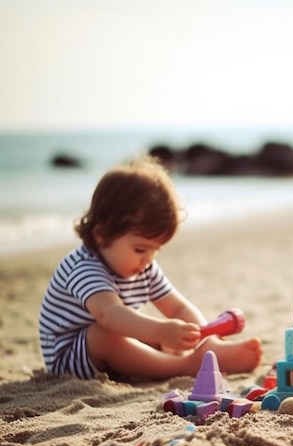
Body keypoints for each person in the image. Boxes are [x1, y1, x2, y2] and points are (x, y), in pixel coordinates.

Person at [39, 156, 262, 381]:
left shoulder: (143, 266)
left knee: (170, 333)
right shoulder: (83, 267)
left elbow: (176, 308)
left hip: (119, 349)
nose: (148, 260)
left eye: (156, 250)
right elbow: (109, 314)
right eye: (140, 249)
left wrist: (203, 335)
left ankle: (208, 351)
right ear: (102, 234)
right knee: (104, 334)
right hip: (70, 360)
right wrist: (162, 331)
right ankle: (185, 365)